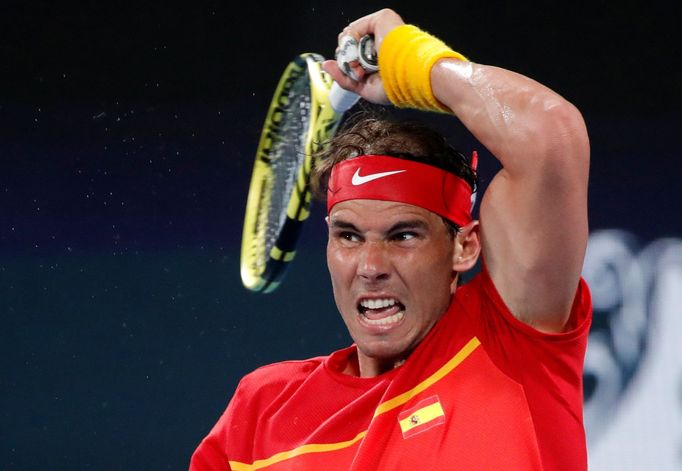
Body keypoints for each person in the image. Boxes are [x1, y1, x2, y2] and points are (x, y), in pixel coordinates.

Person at [190, 7, 592, 471]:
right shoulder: (262, 411)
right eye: (349, 236)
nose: (371, 264)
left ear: (464, 246)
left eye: (403, 236)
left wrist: (413, 64)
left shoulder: (509, 344)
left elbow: (550, 134)